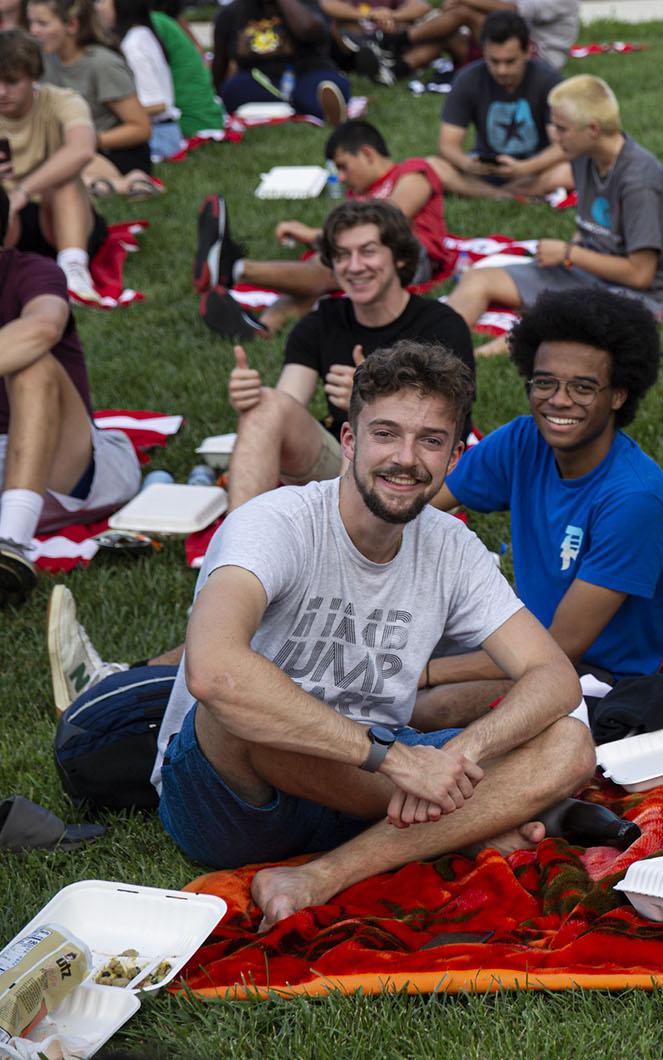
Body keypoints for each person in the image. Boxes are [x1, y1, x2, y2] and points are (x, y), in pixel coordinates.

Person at [143, 340, 594, 929]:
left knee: (569, 744)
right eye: (386, 434)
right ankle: (473, 820)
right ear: (350, 441)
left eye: (430, 440)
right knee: (237, 709)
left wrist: (457, 757)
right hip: (236, 798)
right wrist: (393, 759)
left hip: (372, 789)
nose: (406, 458)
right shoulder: (274, 523)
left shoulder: (451, 547)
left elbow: (554, 675)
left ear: (454, 456)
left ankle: (325, 873)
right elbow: (214, 673)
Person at [427, 288, 663, 688]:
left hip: (592, 679)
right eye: (545, 382)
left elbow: (559, 649)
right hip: (517, 640)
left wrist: (420, 673)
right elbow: (418, 502)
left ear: (618, 394)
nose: (558, 401)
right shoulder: (522, 441)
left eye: (582, 388)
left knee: (431, 705)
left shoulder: (636, 500)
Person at [218, 200, 474, 520]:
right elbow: (287, 404)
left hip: (413, 466)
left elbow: (448, 427)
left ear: (398, 256)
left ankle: (344, 541)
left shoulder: (440, 326)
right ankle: (239, 543)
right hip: (341, 461)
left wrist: (368, 400)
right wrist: (251, 401)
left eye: (367, 251)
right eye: (341, 255)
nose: (353, 266)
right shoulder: (320, 322)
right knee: (268, 406)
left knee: (368, 428)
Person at [447, 75, 663, 353]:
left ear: (593, 129)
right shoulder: (584, 155)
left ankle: (473, 360)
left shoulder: (640, 182)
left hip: (638, 293)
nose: (554, 137)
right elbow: (591, 226)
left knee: (551, 318)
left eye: (561, 129)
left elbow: (641, 275)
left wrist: (569, 253)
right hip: (585, 271)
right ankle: (432, 345)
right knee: (479, 278)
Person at [0, 183, 140, 605]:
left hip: (68, 461)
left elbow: (43, 327)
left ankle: (13, 546)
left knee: (35, 363)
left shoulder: (31, 271)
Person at [196, 119, 452, 340]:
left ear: (367, 154)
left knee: (341, 262)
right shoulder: (359, 196)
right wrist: (315, 238)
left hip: (412, 257)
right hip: (375, 254)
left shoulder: (413, 171)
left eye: (343, 166)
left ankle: (234, 268)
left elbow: (389, 221)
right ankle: (262, 328)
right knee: (321, 279)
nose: (340, 177)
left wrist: (311, 234)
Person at [0, 29, 102, 302]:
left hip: (60, 216)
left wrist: (21, 192)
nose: (1, 92)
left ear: (33, 77)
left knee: (64, 180)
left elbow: (82, 150)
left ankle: (74, 271)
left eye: (11, 81)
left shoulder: (62, 100)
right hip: (8, 223)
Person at [427, 11, 569, 201]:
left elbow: (563, 145)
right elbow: (447, 144)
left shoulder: (547, 80)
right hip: (485, 170)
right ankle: (500, 195)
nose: (502, 70)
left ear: (527, 52)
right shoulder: (468, 79)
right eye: (494, 61)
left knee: (571, 168)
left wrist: (525, 168)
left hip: (535, 169)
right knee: (431, 165)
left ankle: (494, 193)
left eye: (510, 61)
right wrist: (467, 164)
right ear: (483, 52)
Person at [28, 0, 155, 193]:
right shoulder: (47, 61)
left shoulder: (101, 64)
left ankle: (123, 183)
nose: (34, 31)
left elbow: (140, 128)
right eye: (31, 23)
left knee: (46, 178)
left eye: (42, 24)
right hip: (71, 149)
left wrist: (87, 140)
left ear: (71, 25)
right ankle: (107, 184)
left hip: (112, 153)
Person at [209, 0, 349, 123]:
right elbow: (220, 62)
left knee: (326, 87)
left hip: (308, 71)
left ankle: (298, 107)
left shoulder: (307, 3)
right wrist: (213, 95)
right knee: (232, 90)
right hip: (260, 79)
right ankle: (300, 108)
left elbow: (307, 29)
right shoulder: (230, 13)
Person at [376, 0, 579, 78]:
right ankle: (394, 69)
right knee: (446, 32)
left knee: (464, 13)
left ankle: (391, 42)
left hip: (537, 58)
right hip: (507, 44)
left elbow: (515, 11)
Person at [95, 0, 179, 162]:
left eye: (103, 1)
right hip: (164, 133)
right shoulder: (141, 34)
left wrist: (109, 114)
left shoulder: (133, 45)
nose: (98, 7)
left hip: (158, 137)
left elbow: (159, 103)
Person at [147, 0, 222, 137]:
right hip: (206, 118)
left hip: (183, 124)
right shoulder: (167, 21)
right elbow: (201, 53)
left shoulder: (152, 24)